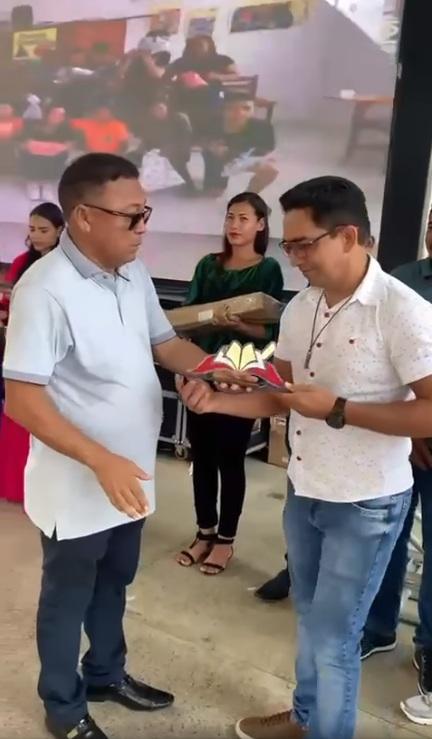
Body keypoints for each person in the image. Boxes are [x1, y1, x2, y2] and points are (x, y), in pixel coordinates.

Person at [2, 152, 252, 739]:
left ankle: (105, 674)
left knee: (115, 581)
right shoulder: (45, 290)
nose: (144, 228)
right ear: (85, 217)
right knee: (68, 595)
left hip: (128, 474)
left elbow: (165, 344)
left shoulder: (131, 271)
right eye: (132, 216)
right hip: (78, 481)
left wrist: (218, 370)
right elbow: (22, 401)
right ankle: (63, 707)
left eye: (147, 213)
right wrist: (100, 459)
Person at [179, 175, 432, 739]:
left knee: (335, 639)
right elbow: (281, 394)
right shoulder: (302, 307)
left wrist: (339, 408)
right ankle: (306, 718)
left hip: (366, 503)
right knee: (310, 621)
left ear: (348, 236)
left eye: (302, 245)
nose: (292, 258)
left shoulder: (402, 311)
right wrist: (217, 399)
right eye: (287, 246)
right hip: (305, 487)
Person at [176, 192, 283, 574]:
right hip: (203, 370)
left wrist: (238, 324)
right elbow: (188, 317)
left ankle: (225, 540)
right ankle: (203, 531)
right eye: (229, 217)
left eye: (243, 218)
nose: (234, 225)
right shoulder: (208, 265)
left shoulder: (268, 269)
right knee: (201, 455)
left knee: (230, 459)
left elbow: (269, 329)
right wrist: (202, 333)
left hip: (241, 375)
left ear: (260, 224)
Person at [357, 210, 432, 725]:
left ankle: (427, 646)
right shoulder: (400, 282)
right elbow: (383, 365)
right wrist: (413, 429)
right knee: (388, 537)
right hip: (406, 440)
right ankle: (378, 627)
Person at [0, 202, 64, 504]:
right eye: (32, 229)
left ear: (60, 231)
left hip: (54, 353)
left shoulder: (65, 267)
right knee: (18, 414)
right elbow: (9, 302)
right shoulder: (21, 262)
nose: (36, 235)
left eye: (43, 230)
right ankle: (15, 485)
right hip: (20, 347)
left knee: (46, 419)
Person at [203, 92, 278, 196]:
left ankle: (249, 195)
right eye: (232, 108)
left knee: (271, 170)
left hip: (245, 157)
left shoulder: (264, 127)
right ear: (223, 110)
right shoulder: (214, 125)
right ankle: (216, 183)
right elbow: (207, 147)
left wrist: (257, 160)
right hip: (220, 158)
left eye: (246, 108)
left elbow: (268, 151)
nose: (239, 113)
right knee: (213, 192)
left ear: (253, 110)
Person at [169, 35, 238, 137]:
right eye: (194, 45)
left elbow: (235, 75)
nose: (197, 47)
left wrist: (217, 76)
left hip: (212, 92)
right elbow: (169, 75)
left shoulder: (222, 59)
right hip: (186, 93)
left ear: (210, 45)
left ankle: (203, 133)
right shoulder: (182, 61)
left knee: (212, 99)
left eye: (201, 45)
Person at [19, 106, 79, 201]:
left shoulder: (66, 128)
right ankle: (33, 184)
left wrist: (50, 148)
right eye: (55, 114)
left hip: (55, 154)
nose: (58, 117)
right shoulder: (34, 125)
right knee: (29, 155)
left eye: (61, 115)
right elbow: (25, 144)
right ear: (47, 114)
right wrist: (46, 148)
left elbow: (69, 145)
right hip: (35, 153)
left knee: (61, 156)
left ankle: (47, 185)